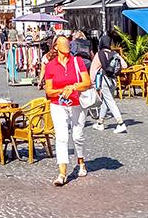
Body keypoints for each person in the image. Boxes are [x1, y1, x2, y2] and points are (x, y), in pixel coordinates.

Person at [43, 34, 92, 187]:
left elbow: (87, 82)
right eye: (63, 44)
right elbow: (48, 91)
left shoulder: (77, 61)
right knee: (62, 137)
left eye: (68, 43)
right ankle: (62, 173)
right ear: (56, 47)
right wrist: (61, 91)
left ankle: (81, 161)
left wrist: (73, 87)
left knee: (77, 136)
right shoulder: (50, 66)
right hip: (58, 104)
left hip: (77, 103)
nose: (66, 46)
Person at [88, 37, 129, 133]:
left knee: (110, 101)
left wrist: (92, 82)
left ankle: (120, 123)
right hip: (113, 81)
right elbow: (125, 65)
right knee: (106, 102)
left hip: (104, 81)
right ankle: (100, 123)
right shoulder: (115, 54)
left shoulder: (99, 54)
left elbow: (93, 70)